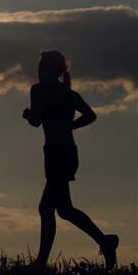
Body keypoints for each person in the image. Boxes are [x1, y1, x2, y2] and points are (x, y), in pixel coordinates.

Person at [23, 51, 118, 270]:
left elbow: (36, 122)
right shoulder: (68, 94)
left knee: (48, 208)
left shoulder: (38, 91)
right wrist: (70, 126)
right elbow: (90, 115)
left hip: (57, 154)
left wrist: (28, 115)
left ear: (47, 70)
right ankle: (105, 241)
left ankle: (41, 263)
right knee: (62, 209)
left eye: (41, 67)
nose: (38, 71)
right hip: (66, 152)